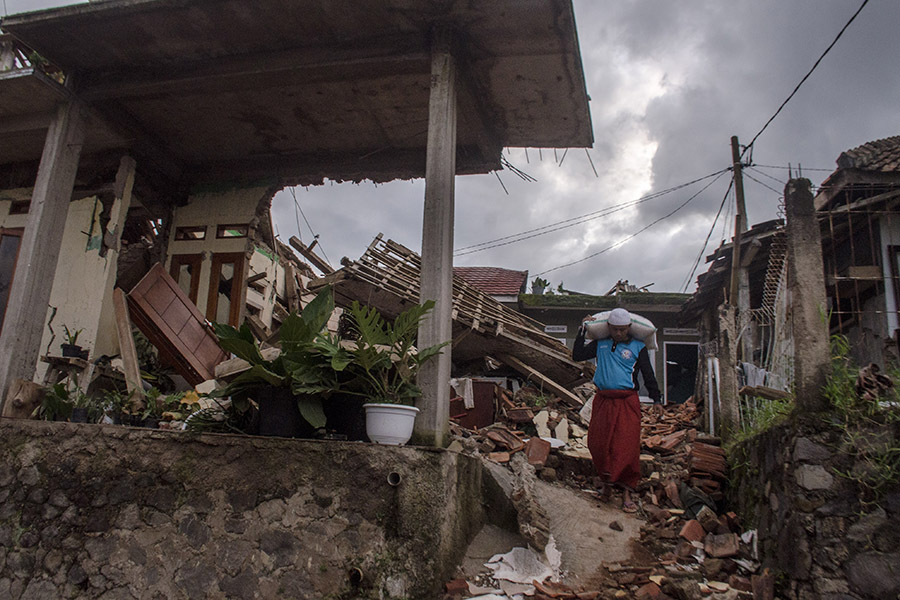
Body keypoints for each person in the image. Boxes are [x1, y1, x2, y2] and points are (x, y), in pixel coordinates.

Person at [573, 307, 661, 513]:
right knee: (599, 443)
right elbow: (577, 355)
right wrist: (581, 330)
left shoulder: (638, 347)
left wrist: (656, 399)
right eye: (614, 329)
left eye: (622, 329)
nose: (618, 333)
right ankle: (607, 487)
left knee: (626, 446)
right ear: (608, 327)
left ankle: (627, 492)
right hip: (603, 400)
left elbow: (648, 374)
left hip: (627, 401)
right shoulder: (600, 344)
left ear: (629, 327)